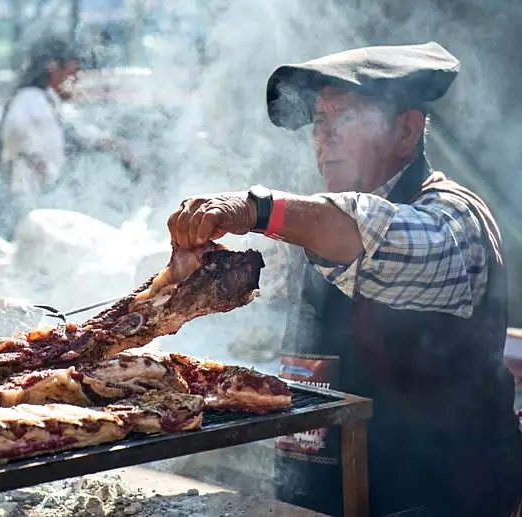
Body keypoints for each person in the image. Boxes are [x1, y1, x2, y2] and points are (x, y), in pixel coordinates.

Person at [166, 42, 522, 517]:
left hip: (433, 499)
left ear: (406, 130)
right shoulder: (318, 223)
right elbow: (268, 265)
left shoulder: (455, 218)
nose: (324, 136)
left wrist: (258, 207)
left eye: (345, 117)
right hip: (319, 495)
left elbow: (374, 232)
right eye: (318, 120)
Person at [0, 34, 136, 217]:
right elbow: (19, 134)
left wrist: (115, 144)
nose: (76, 80)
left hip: (45, 199)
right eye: (73, 73)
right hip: (29, 201)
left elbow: (78, 131)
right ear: (53, 68)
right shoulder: (29, 100)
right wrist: (38, 162)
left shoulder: (49, 103)